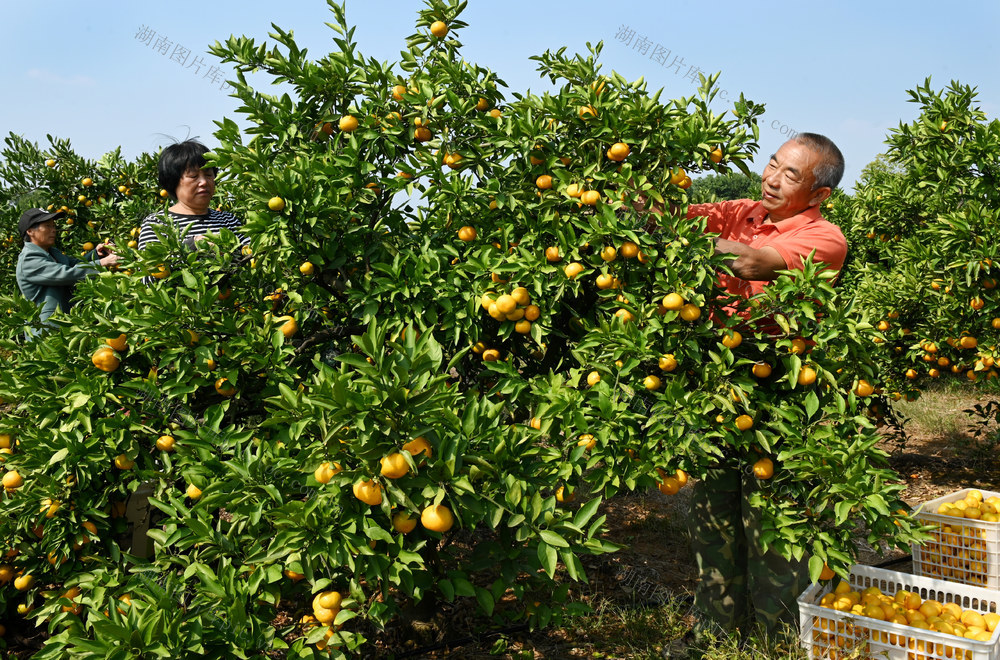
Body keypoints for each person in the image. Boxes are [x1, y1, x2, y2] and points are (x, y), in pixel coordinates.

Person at [654, 133, 848, 656]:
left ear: (819, 193)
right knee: (713, 514)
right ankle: (716, 629)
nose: (771, 178)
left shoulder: (824, 237)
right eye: (772, 164)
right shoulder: (740, 209)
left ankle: (778, 637)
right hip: (718, 384)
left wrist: (682, 237)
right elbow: (667, 215)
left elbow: (751, 263)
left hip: (780, 389)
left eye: (790, 175)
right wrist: (626, 190)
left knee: (771, 522)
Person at [15, 208, 119, 336]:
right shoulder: (29, 260)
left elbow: (74, 265)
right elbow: (66, 274)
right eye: (48, 226)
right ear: (30, 231)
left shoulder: (52, 253)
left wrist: (97, 255)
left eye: (54, 226)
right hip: (48, 331)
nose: (53, 230)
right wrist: (102, 263)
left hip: (67, 324)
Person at [137, 140, 247, 251]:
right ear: (173, 182)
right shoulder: (156, 224)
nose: (203, 182)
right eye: (194, 176)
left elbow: (250, 255)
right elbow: (149, 266)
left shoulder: (228, 220)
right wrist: (193, 245)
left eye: (208, 174)